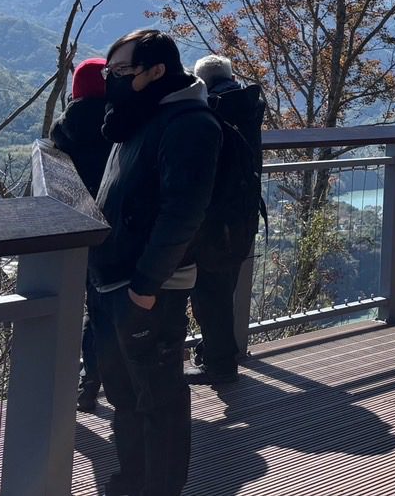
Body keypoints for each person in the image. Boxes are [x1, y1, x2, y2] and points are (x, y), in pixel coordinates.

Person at [88, 29, 221, 496]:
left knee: (158, 399)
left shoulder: (190, 124)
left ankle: (160, 488)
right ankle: (131, 480)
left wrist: (144, 286)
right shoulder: (140, 116)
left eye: (121, 72)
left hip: (150, 288)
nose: (113, 82)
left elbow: (182, 213)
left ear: (157, 71)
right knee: (124, 394)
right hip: (114, 282)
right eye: (110, 73)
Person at [187, 54, 267, 386]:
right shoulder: (248, 107)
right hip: (244, 214)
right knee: (224, 286)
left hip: (213, 218)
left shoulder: (211, 111)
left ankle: (220, 363)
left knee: (208, 291)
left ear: (201, 81)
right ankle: (215, 352)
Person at [51, 56, 112, 413]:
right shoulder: (123, 125)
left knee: (90, 303)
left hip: (80, 230)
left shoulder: (63, 133)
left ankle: (88, 384)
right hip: (124, 225)